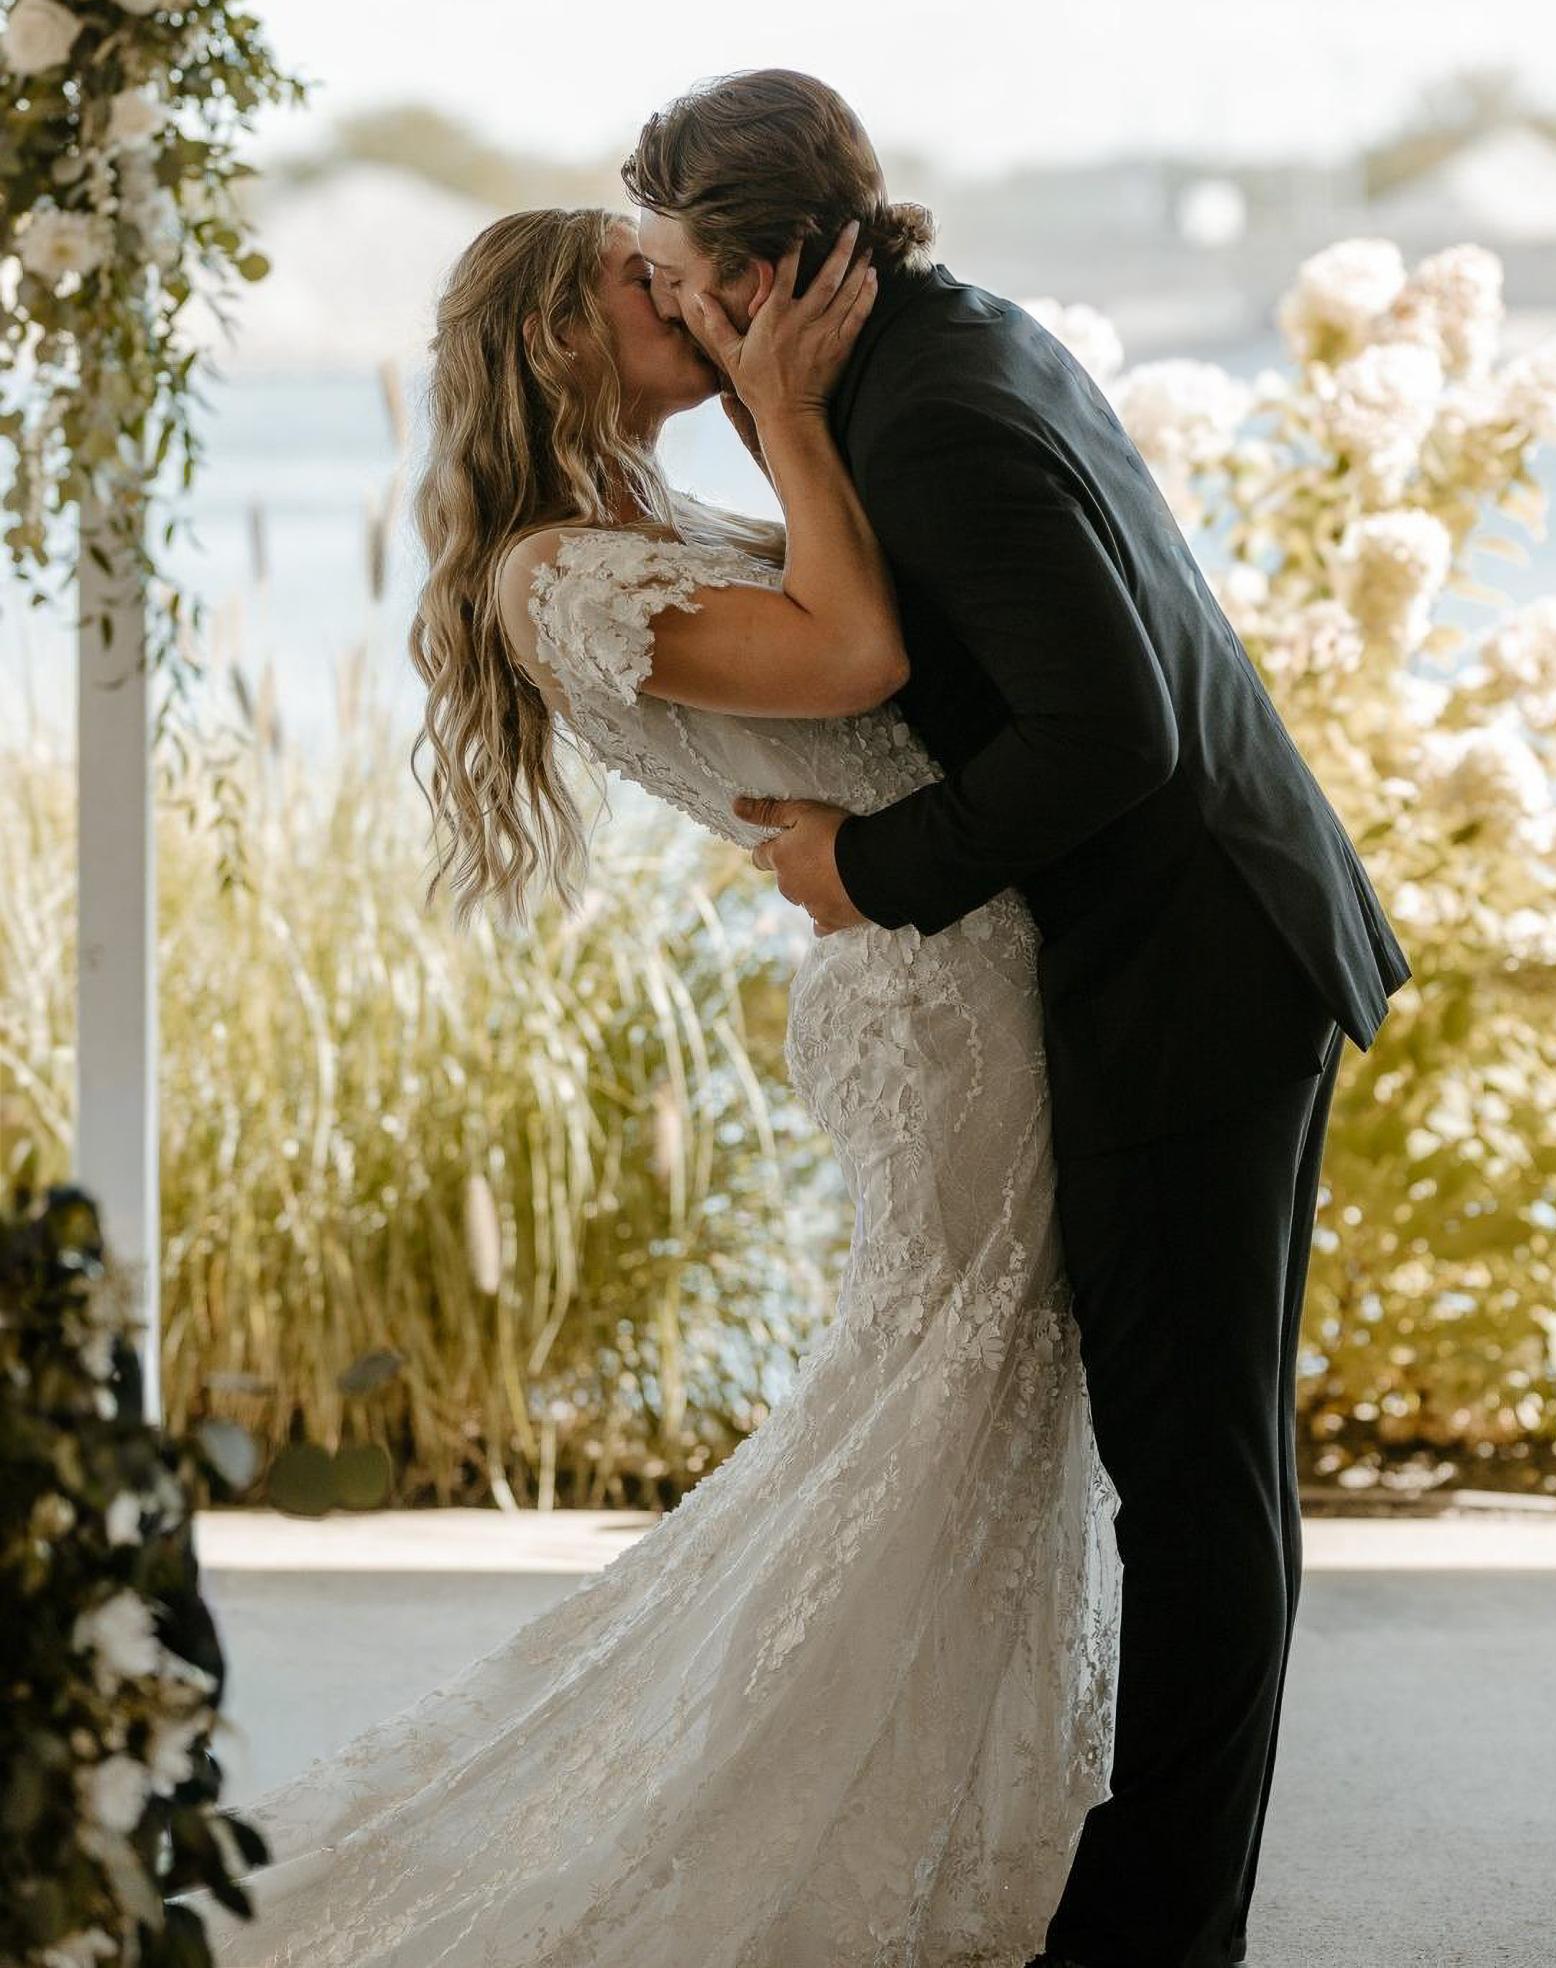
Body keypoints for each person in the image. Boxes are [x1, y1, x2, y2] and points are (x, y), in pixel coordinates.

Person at [213, 202, 1124, 1968]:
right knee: (946, 1399)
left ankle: (942, 1818)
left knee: (973, 1406)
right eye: (647, 284)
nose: (696, 298)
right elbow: (854, 663)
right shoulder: (557, 574)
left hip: (953, 965)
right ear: (559, 338)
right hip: (936, 1004)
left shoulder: (642, 520)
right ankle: (796, 1827)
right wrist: (786, 412)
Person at [620, 70, 1411, 1968]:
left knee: (1196, 1487)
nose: (658, 311)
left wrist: (863, 870)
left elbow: (1107, 731)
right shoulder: (939, 344)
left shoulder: (942, 421)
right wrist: (778, 411)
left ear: (763, 272)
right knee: (1214, 1470)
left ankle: (1154, 1936)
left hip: (1188, 976)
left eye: (670, 276)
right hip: (1212, 933)